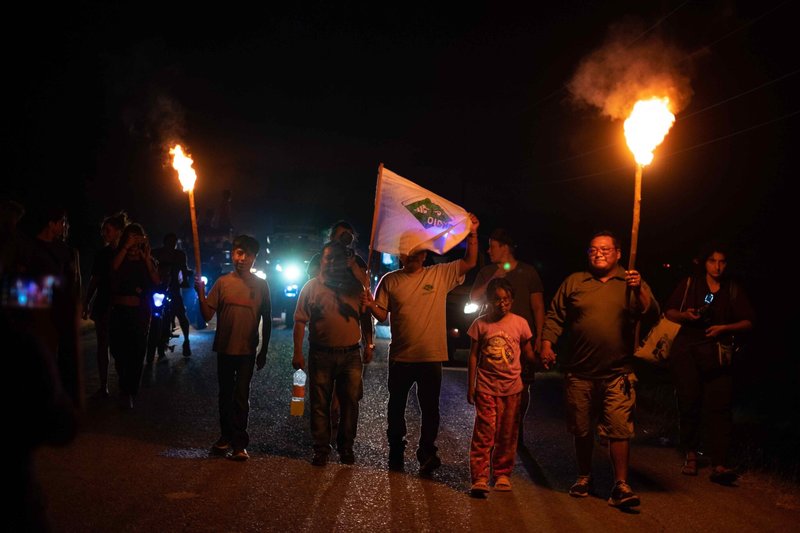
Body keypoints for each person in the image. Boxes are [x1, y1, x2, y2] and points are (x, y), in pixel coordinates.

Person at [540, 230, 658, 508]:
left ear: (618, 253)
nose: (599, 253)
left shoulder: (630, 281)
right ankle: (584, 476)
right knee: (581, 429)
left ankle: (620, 485)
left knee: (619, 430)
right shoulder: (575, 282)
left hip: (618, 372)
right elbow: (555, 314)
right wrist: (546, 344)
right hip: (580, 371)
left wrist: (639, 288)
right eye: (593, 249)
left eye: (605, 249)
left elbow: (651, 313)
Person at [362, 213, 480, 474]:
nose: (413, 256)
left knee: (430, 409)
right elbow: (383, 314)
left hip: (430, 357)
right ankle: (396, 449)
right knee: (396, 406)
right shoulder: (390, 280)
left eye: (418, 252)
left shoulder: (439, 274)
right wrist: (370, 305)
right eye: (408, 252)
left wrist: (472, 234)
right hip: (401, 356)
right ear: (400, 255)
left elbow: (470, 262)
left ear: (425, 255)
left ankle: (427, 451)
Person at [663, 243, 754, 484]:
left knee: (721, 407)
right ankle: (691, 455)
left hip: (718, 355)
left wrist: (724, 328)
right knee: (689, 402)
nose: (717, 266)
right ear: (704, 262)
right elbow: (669, 312)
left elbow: (748, 322)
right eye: (713, 261)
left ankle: (720, 464)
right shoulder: (690, 284)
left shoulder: (732, 288)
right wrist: (686, 315)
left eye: (722, 261)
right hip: (688, 352)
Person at [292, 240, 374, 466]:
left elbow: (366, 318)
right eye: (327, 258)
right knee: (319, 403)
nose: (330, 262)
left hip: (350, 355)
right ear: (321, 260)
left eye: (335, 259)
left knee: (350, 402)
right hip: (321, 354)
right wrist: (297, 352)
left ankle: (346, 446)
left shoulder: (355, 288)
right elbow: (299, 322)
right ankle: (320, 448)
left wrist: (369, 344)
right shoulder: (311, 287)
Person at [195, 234, 271, 461]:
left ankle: (239, 444)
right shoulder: (222, 283)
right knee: (225, 395)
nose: (242, 258)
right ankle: (225, 437)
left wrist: (264, 350)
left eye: (247, 255)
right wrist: (200, 292)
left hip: (247, 351)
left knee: (241, 396)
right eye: (239, 253)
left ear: (254, 259)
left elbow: (266, 319)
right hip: (225, 350)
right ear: (232, 254)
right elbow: (208, 314)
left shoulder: (261, 286)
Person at [469, 228, 545, 447]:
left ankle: (515, 427)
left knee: (522, 387)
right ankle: (493, 431)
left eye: (492, 245)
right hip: (494, 340)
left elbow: (538, 307)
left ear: (504, 247)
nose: (488, 250)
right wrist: (494, 276)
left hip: (522, 339)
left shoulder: (528, 272)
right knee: (490, 386)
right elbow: (474, 296)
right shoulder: (487, 272)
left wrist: (540, 336)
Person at [467, 278, 541, 496]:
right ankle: (480, 476)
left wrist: (540, 360)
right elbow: (473, 356)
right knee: (484, 432)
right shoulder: (480, 324)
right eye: (497, 299)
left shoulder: (520, 323)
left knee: (507, 433)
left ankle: (501, 473)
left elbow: (527, 354)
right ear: (489, 300)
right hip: (486, 387)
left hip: (512, 389)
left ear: (512, 300)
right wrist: (471, 385)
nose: (502, 304)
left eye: (506, 299)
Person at [26, 206, 83, 407]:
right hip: (38, 318)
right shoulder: (29, 249)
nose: (65, 227)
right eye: (62, 222)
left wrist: (74, 305)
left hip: (62, 317)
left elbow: (74, 285)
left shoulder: (67, 252)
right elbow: (19, 289)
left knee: (65, 364)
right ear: (51, 224)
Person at [110, 223, 160, 409]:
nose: (133, 244)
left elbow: (156, 280)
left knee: (137, 352)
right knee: (118, 350)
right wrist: (125, 247)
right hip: (119, 312)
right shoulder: (119, 257)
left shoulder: (146, 260)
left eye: (136, 239)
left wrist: (146, 258)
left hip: (139, 313)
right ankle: (124, 384)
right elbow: (113, 269)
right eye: (130, 239)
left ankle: (129, 391)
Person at [82, 211, 128, 397]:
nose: (104, 233)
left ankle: (124, 383)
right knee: (103, 345)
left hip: (122, 305)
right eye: (103, 230)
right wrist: (87, 301)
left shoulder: (128, 252)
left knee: (120, 345)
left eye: (107, 230)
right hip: (103, 303)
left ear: (118, 231)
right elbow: (95, 279)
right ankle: (103, 385)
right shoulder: (102, 254)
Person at [151, 232, 192, 357]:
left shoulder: (180, 255)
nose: (172, 244)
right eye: (170, 241)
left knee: (181, 315)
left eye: (174, 242)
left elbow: (184, 270)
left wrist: (185, 281)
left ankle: (186, 340)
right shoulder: (156, 253)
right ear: (165, 242)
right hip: (158, 288)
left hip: (174, 288)